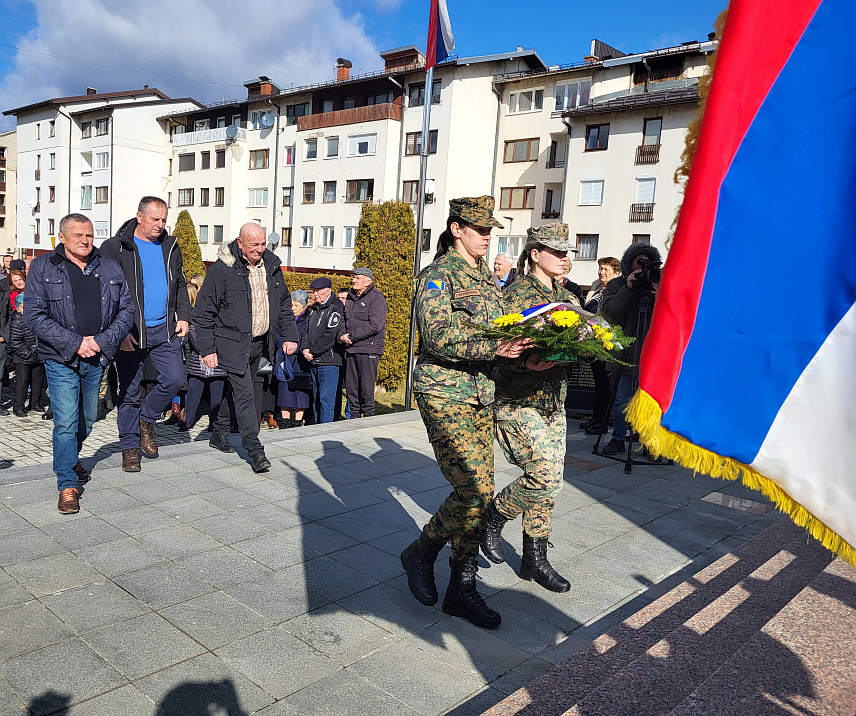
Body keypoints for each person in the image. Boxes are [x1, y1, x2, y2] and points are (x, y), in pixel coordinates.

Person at [400, 195, 532, 630]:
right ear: (456, 229)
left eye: (491, 230)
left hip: (480, 393)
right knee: (473, 491)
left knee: (482, 493)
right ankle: (422, 551)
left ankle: (462, 585)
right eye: (480, 229)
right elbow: (437, 336)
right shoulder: (438, 276)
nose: (487, 236)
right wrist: (496, 348)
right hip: (444, 392)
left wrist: (530, 351)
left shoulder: (487, 279)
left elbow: (503, 330)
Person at [481, 223, 579, 592]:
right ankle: (494, 516)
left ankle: (534, 559)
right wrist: (526, 362)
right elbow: (495, 348)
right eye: (556, 251)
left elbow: (581, 340)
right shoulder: (515, 294)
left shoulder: (568, 297)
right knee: (544, 475)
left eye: (566, 252)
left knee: (551, 483)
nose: (564, 258)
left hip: (553, 400)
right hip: (517, 399)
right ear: (535, 254)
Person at [24, 214, 134, 514]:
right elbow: (33, 315)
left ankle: (70, 457)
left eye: (89, 235)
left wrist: (101, 341)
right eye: (78, 235)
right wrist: (76, 343)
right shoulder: (43, 267)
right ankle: (67, 484)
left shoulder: (109, 266)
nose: (85, 240)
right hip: (60, 357)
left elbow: (126, 310)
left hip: (97, 356)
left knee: (88, 418)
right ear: (62, 237)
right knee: (66, 421)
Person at [193, 223, 298, 472]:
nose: (260, 249)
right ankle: (255, 449)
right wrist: (207, 349)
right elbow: (203, 312)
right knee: (245, 395)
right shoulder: (223, 269)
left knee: (237, 391)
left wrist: (290, 335)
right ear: (240, 243)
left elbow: (283, 304)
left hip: (259, 343)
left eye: (263, 244)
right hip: (232, 344)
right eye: (254, 245)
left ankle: (219, 432)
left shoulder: (271, 267)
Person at [100, 196, 191, 472]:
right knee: (129, 392)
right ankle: (129, 447)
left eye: (164, 219)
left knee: (175, 379)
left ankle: (147, 418)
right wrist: (118, 331)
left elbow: (180, 283)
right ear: (139, 217)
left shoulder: (170, 246)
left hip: (164, 330)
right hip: (131, 331)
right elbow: (105, 293)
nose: (160, 225)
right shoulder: (116, 247)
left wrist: (184, 315)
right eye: (155, 219)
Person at [601, 243, 662, 455]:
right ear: (629, 263)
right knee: (621, 400)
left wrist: (659, 299)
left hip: (652, 354)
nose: (643, 267)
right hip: (624, 353)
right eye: (639, 262)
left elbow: (673, 317)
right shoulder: (617, 284)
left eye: (648, 262)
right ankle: (618, 438)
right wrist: (627, 288)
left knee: (650, 402)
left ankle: (649, 442)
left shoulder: (658, 283)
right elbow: (611, 312)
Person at [580, 257, 621, 434]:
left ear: (616, 273)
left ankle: (602, 421)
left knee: (606, 384)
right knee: (598, 382)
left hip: (609, 343)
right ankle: (595, 418)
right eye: (600, 268)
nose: (601, 272)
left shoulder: (618, 291)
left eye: (606, 269)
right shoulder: (596, 288)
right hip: (593, 342)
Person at [183, 274, 229, 432]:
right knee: (194, 392)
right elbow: (193, 330)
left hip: (218, 360)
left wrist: (215, 350)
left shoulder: (224, 314)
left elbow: (225, 335)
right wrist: (204, 349)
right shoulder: (199, 311)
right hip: (199, 359)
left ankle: (214, 423)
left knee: (217, 395)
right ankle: (188, 421)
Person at [340, 267, 387, 418]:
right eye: (353, 277)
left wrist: (351, 336)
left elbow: (375, 325)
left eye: (357, 278)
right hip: (351, 349)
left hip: (369, 349)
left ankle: (368, 424)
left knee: (366, 391)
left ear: (367, 281)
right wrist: (341, 336)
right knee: (352, 391)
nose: (353, 280)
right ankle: (354, 423)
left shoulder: (377, 298)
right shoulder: (350, 297)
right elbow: (344, 320)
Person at [301, 277, 345, 424]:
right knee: (316, 399)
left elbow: (330, 334)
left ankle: (326, 431)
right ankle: (317, 429)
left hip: (329, 361)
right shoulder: (313, 309)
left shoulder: (336, 306)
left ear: (327, 291)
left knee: (326, 401)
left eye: (318, 291)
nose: (315, 294)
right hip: (314, 361)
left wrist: (313, 351)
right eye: (314, 291)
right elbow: (306, 331)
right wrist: (304, 349)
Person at [275, 289, 312, 427]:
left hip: (300, 360)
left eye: (296, 305)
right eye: (291, 304)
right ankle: (285, 420)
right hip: (285, 358)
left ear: (304, 306)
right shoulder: (284, 318)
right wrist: (283, 345)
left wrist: (296, 347)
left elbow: (308, 338)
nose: (293, 308)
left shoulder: (308, 320)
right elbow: (276, 333)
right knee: (285, 390)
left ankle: (298, 420)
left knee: (300, 391)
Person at [9, 293, 46, 417]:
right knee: (22, 382)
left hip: (37, 354)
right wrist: (29, 353)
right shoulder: (17, 321)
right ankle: (18, 406)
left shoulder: (37, 319)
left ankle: (35, 403)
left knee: (38, 380)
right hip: (23, 356)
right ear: (18, 308)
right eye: (23, 306)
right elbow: (15, 342)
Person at [335, 287, 351, 420]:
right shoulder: (334, 313)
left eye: (343, 298)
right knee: (336, 386)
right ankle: (335, 415)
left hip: (349, 353)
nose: (340, 301)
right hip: (337, 354)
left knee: (351, 386)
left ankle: (349, 415)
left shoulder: (352, 314)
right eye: (338, 298)